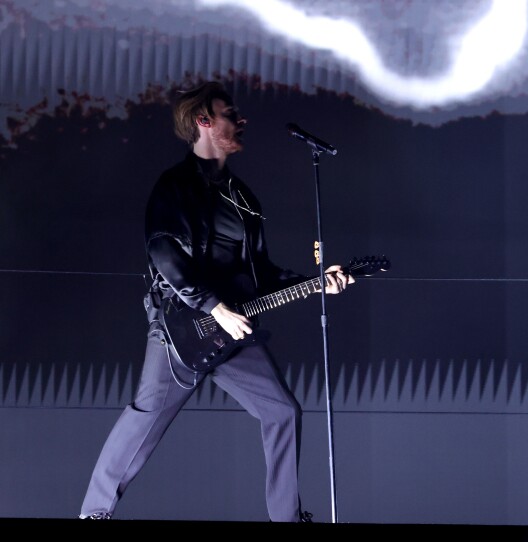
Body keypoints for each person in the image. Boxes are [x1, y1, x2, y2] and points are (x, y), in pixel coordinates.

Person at [79, 81, 354, 522]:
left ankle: (286, 517)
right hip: (182, 326)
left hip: (234, 325)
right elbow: (162, 249)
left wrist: (315, 282)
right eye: (230, 113)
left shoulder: (244, 198)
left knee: (282, 411)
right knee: (145, 417)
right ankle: (93, 513)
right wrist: (212, 306)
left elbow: (260, 272)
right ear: (203, 122)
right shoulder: (174, 185)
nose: (240, 120)